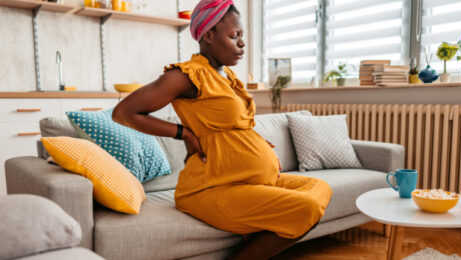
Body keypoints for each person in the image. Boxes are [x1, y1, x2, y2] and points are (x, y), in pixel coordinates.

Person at [112, 0, 332, 259]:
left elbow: (233, 126)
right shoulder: (187, 75)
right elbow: (124, 113)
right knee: (306, 207)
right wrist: (183, 133)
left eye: (242, 36)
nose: (242, 43)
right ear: (208, 35)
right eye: (233, 35)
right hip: (213, 188)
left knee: (320, 188)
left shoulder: (227, 77)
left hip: (252, 180)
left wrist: (260, 148)